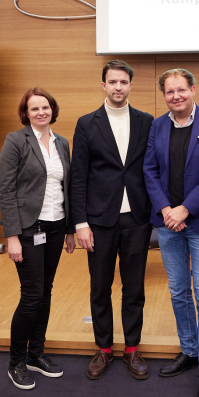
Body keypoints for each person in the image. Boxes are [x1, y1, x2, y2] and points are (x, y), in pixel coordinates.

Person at [143, 69, 199, 397]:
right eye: (169, 91)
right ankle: (189, 350)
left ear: (193, 89)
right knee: (178, 290)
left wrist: (185, 210)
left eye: (181, 90)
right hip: (167, 223)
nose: (176, 96)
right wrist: (166, 209)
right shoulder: (157, 125)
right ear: (164, 95)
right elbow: (149, 170)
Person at [70, 60, 154, 380]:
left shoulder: (147, 122)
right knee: (99, 288)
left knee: (134, 288)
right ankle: (103, 349)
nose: (118, 87)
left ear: (131, 85)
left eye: (123, 82)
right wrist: (80, 223)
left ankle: (132, 349)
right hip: (98, 221)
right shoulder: (86, 124)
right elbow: (78, 176)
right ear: (103, 85)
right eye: (112, 82)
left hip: (137, 218)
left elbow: (152, 169)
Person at [0, 87, 76, 389]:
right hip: (29, 229)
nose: (41, 112)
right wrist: (12, 236)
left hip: (56, 227)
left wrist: (69, 229)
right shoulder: (16, 141)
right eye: (34, 109)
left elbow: (65, 188)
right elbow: (6, 190)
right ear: (26, 113)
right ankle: (16, 362)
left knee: (46, 290)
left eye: (45, 107)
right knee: (31, 295)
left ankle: (36, 354)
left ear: (52, 110)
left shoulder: (62, 143)